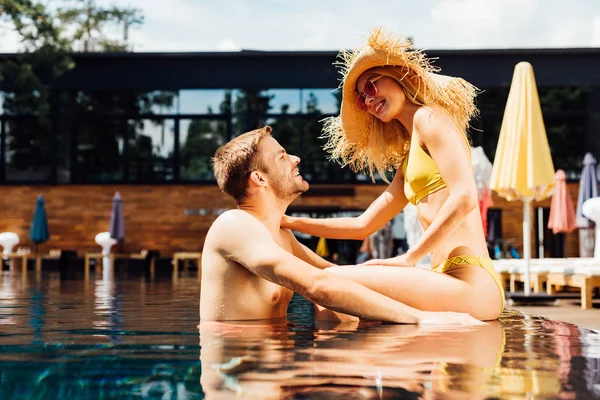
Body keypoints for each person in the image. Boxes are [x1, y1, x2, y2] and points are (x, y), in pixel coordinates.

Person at [281, 27, 505, 321]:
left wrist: (409, 259)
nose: (369, 101)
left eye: (371, 87)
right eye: (362, 99)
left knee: (331, 284)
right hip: (446, 278)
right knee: (335, 294)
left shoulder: (430, 117)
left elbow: (464, 198)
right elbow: (363, 225)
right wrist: (287, 221)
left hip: (470, 279)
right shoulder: (410, 158)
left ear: (398, 77)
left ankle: (325, 365)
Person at [200, 125, 481, 325]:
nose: (296, 159)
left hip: (278, 371)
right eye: (282, 157)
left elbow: (339, 275)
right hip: (242, 374)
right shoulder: (234, 225)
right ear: (259, 179)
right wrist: (422, 318)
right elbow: (318, 286)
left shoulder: (280, 236)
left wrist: (418, 289)